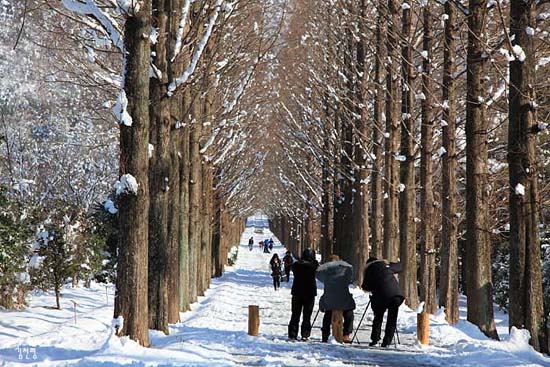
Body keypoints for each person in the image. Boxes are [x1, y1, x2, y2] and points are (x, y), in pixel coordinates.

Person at [361, 256, 405, 347]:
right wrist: (389, 263)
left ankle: (375, 339)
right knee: (392, 319)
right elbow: (400, 266)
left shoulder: (369, 270)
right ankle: (387, 341)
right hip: (396, 295)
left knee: (378, 316)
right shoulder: (386, 266)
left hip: (381, 297)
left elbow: (365, 287)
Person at [316, 254, 356, 343]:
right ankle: (346, 334)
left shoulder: (325, 273)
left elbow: (318, 276)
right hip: (344, 300)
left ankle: (325, 334)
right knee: (349, 314)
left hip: (329, 300)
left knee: (327, 314)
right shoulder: (345, 272)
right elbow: (351, 278)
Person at [288, 248, 319, 340]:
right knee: (307, 315)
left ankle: (292, 334)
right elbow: (317, 266)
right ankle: (305, 334)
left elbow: (292, 266)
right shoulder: (313, 266)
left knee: (295, 314)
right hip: (309, 293)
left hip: (297, 292)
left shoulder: (297, 265)